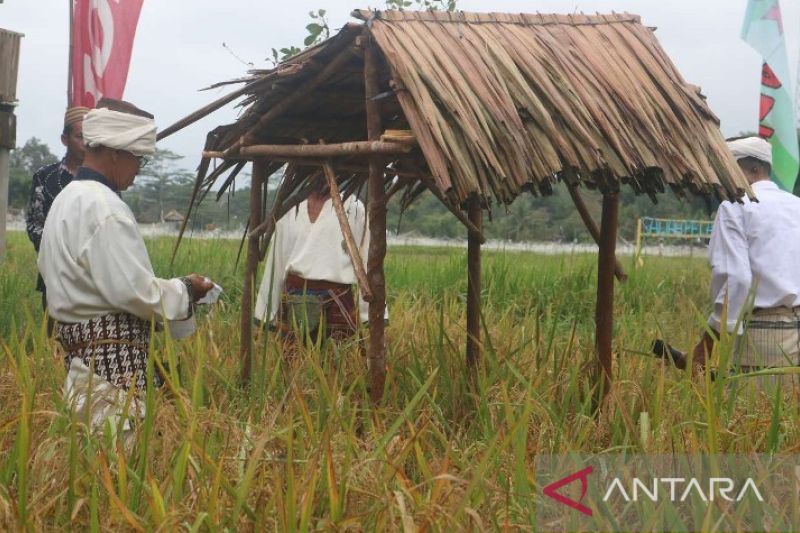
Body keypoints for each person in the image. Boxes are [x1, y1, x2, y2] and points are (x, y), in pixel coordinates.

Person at [38, 98, 213, 444]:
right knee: (118, 464)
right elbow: (138, 293)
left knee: (87, 461)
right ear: (116, 152)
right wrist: (188, 289)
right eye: (139, 159)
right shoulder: (105, 208)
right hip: (111, 372)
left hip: (83, 364)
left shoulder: (66, 199)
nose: (140, 169)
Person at [690, 136, 800, 388]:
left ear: (751, 170)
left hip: (766, 335)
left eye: (726, 170)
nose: (722, 180)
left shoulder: (736, 205)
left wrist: (705, 345)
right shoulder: (797, 205)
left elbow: (735, 279)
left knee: (758, 420)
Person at [254, 180, 384, 346]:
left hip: (337, 299)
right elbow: (276, 261)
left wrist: (371, 313)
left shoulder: (353, 208)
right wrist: (265, 311)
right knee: (293, 363)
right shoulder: (290, 209)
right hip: (295, 298)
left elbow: (367, 261)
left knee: (337, 362)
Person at [26, 107, 89, 315]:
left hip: (94, 277)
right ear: (65, 139)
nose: (86, 143)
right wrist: (62, 252)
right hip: (54, 274)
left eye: (91, 136)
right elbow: (35, 225)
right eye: (80, 136)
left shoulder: (105, 180)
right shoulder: (45, 176)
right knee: (53, 342)